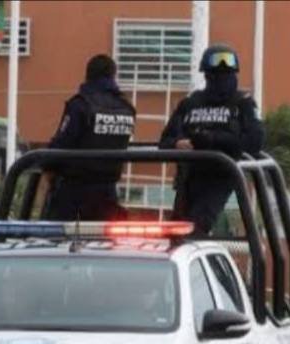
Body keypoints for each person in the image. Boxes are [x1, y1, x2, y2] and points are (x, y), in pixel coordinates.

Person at [159, 44, 264, 236]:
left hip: (219, 178)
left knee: (194, 231)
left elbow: (255, 142)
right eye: (216, 74)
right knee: (174, 235)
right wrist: (179, 143)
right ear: (206, 75)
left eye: (227, 73)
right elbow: (165, 141)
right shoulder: (190, 103)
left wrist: (215, 140)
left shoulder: (243, 104)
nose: (222, 79)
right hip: (189, 178)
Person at [39, 54, 136, 221]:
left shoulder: (80, 105)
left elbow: (61, 145)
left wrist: (45, 163)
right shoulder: (127, 108)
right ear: (113, 75)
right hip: (108, 194)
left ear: (88, 75)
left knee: (59, 242)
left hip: (74, 195)